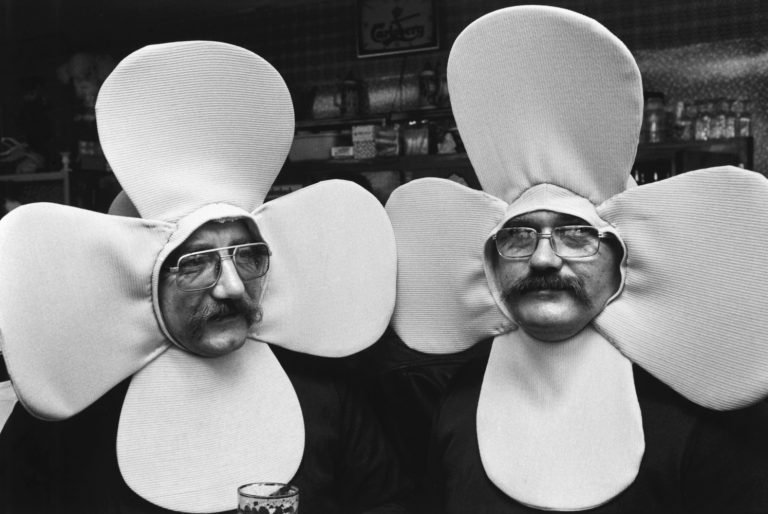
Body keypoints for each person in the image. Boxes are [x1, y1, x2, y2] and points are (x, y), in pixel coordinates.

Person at [0, 41, 413, 514]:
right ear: (145, 279)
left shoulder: (327, 396)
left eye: (248, 257)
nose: (232, 287)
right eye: (194, 263)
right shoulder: (79, 408)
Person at [384, 6, 768, 513]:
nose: (544, 259)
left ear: (621, 262)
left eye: (576, 236)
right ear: (493, 267)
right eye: (518, 237)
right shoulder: (455, 402)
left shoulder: (695, 415)